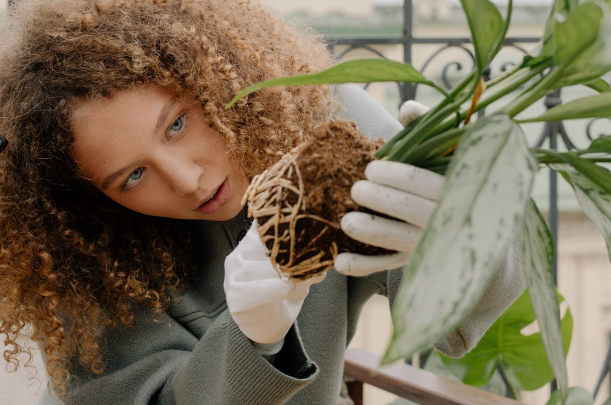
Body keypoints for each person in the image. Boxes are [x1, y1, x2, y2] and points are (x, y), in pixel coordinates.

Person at [0, 0, 525, 404]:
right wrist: (255, 343)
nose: (186, 180)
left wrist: (463, 224)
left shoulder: (322, 125)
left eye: (177, 124)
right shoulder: (77, 253)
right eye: (133, 176)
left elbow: (457, 319)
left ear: (206, 74)